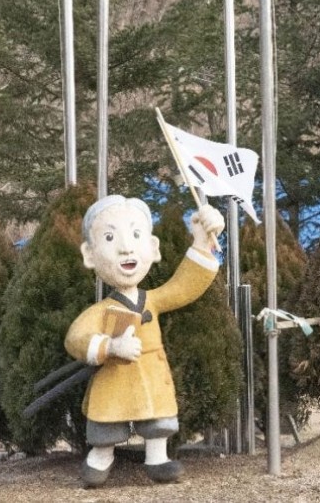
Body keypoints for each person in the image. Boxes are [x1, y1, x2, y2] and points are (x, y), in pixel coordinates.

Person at [64, 195, 224, 487]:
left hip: (151, 377)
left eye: (136, 235)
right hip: (113, 381)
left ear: (153, 248)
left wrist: (202, 240)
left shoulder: (153, 300)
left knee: (158, 421)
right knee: (107, 425)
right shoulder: (99, 311)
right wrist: (109, 347)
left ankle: (157, 459)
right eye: (110, 237)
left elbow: (183, 287)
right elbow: (76, 338)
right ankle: (100, 459)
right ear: (90, 254)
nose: (126, 247)